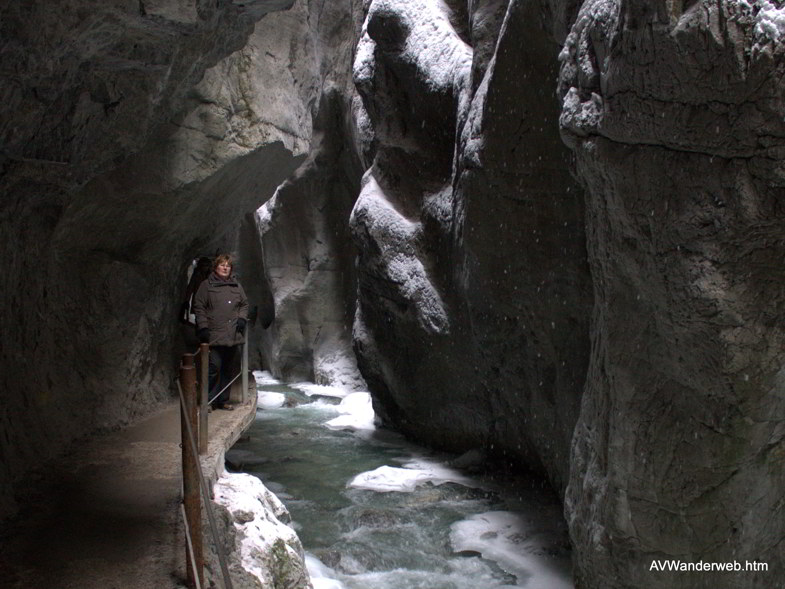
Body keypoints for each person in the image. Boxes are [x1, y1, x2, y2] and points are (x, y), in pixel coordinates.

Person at [192, 254, 249, 411]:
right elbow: (199, 306)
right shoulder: (207, 285)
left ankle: (223, 400)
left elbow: (244, 304)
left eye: (228, 266)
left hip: (232, 335)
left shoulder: (236, 285)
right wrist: (203, 326)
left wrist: (242, 319)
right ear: (216, 267)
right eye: (222, 265)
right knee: (213, 368)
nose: (225, 268)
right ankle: (209, 400)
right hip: (214, 334)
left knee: (228, 369)